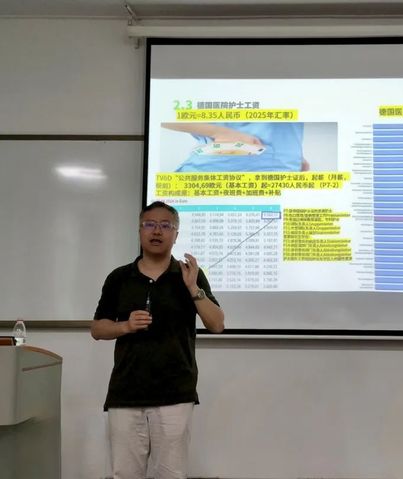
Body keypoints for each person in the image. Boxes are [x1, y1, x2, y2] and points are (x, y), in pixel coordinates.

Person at [91, 201, 224, 479]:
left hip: (175, 392)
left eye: (166, 225)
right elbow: (98, 329)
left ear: (176, 234)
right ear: (139, 231)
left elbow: (216, 324)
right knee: (124, 473)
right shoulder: (119, 277)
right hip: (126, 391)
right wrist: (125, 326)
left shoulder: (190, 275)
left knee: (172, 474)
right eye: (149, 224)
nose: (157, 231)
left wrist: (193, 288)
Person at [162, 121, 310, 172]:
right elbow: (163, 110)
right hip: (218, 170)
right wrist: (221, 132)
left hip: (285, 172)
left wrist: (293, 152)